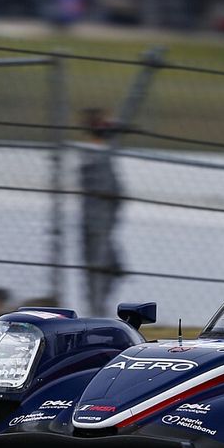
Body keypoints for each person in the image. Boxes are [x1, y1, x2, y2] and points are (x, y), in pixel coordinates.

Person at [79, 108, 124, 317]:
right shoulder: (93, 155)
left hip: (105, 225)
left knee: (111, 268)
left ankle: (100, 311)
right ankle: (96, 314)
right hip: (97, 225)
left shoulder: (101, 154)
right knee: (99, 270)